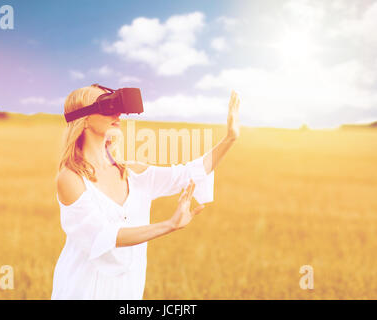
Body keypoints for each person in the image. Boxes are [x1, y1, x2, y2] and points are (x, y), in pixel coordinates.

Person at [51, 84, 241, 299]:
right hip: (82, 289)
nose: (117, 114)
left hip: (126, 291)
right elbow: (102, 236)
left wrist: (230, 139)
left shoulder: (132, 173)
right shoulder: (71, 178)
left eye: (117, 106)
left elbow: (189, 173)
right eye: (106, 106)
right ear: (84, 119)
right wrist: (169, 225)